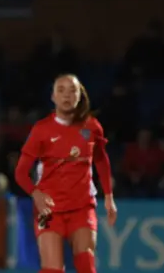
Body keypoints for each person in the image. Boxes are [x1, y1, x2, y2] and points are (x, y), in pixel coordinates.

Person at [14, 74, 117, 273]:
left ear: (80, 96)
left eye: (72, 90)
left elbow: (101, 160)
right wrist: (36, 194)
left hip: (82, 206)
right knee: (52, 269)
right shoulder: (42, 130)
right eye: (61, 90)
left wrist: (109, 197)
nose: (67, 95)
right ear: (52, 97)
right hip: (50, 209)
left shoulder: (92, 126)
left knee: (86, 264)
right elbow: (20, 173)